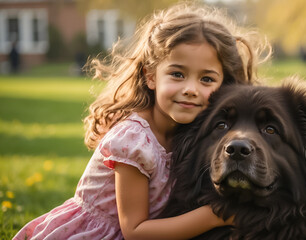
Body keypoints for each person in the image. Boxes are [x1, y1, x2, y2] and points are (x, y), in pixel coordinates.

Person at [13, 3, 271, 240]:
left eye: (206, 79)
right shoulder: (134, 141)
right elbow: (135, 231)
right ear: (151, 76)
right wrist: (215, 216)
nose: (191, 89)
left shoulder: (195, 131)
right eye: (177, 74)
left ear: (224, 85)